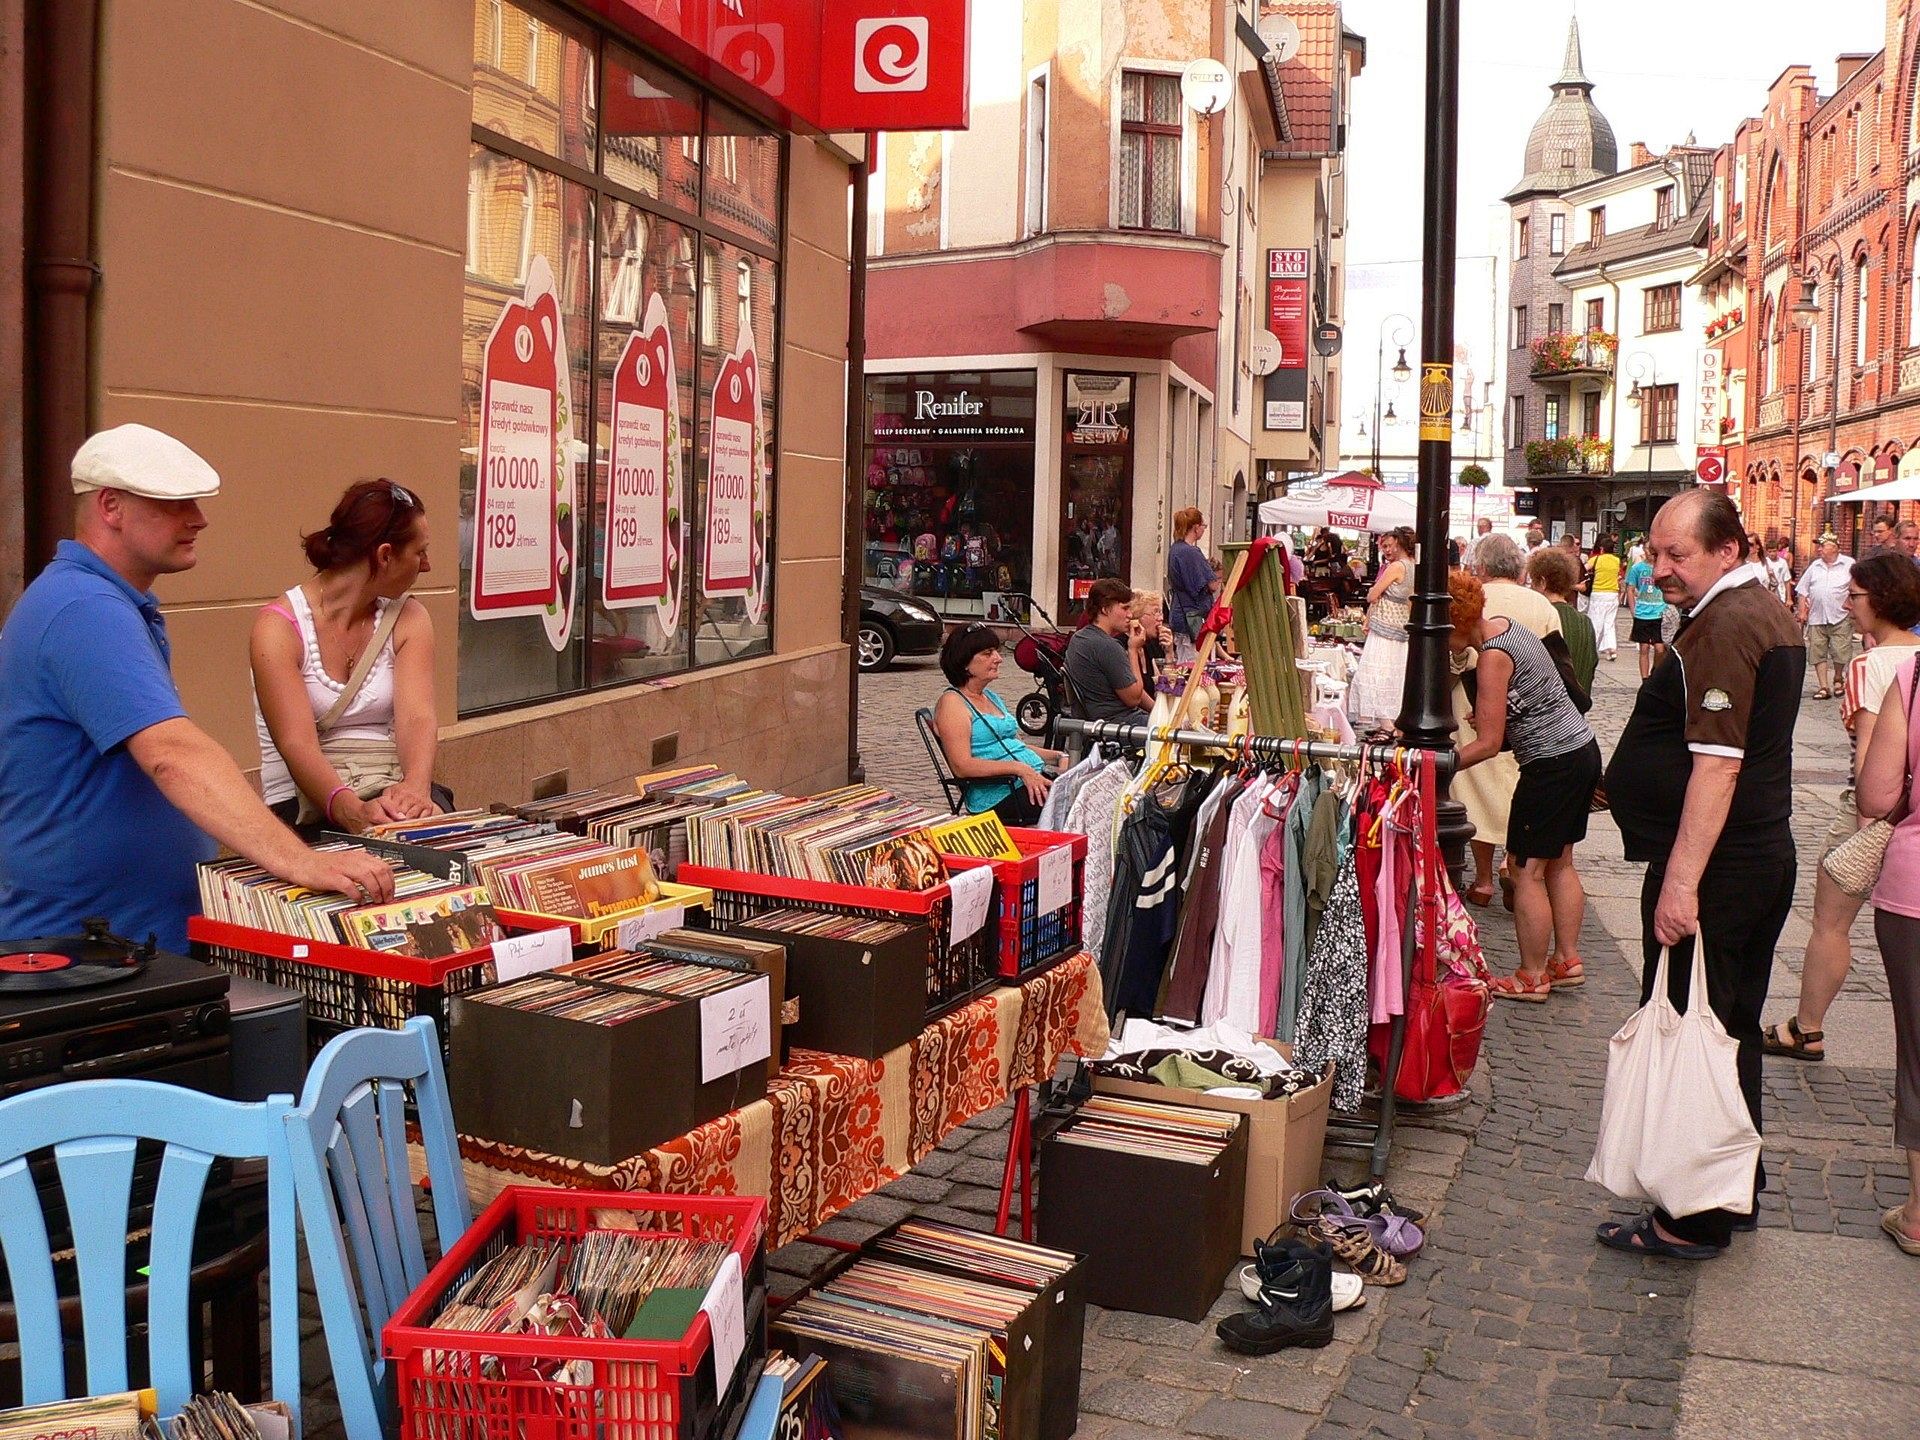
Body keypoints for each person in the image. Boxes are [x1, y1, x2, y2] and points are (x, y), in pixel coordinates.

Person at [0, 425, 395, 953]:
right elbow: (173, 754)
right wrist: (301, 859)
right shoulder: (85, 609)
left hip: (119, 940)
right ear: (110, 506)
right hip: (84, 950)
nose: (198, 518)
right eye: (173, 502)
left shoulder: (102, 601)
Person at [1599, 490, 1805, 1258]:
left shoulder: (1726, 626)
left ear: (1728, 549)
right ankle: (1730, 1185)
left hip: (1720, 868)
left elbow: (1717, 769)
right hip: (1755, 856)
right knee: (1730, 1029)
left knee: (1698, 1024)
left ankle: (1690, 1218)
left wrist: (1681, 884)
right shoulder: (1758, 612)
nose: (1658, 571)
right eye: (1654, 553)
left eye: (1674, 555)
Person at [1762, 555, 1920, 1060]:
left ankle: (1807, 1028)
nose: (1848, 606)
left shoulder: (1868, 665)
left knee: (1830, 924)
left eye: (1854, 597)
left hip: (1872, 810)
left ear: (1881, 599)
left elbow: (1871, 758)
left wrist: (1864, 832)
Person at [252, 480, 443, 832]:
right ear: (385, 555)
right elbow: (296, 743)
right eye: (420, 552)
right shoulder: (278, 629)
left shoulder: (410, 618)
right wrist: (352, 812)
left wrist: (416, 787)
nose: (427, 565)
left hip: (390, 784)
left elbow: (417, 718)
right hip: (307, 801)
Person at [1450, 572, 1600, 1000]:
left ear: (1456, 622)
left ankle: (1531, 975)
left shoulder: (1494, 656)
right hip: (1579, 751)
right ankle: (1567, 959)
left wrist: (1441, 766)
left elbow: (1489, 743)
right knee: (1560, 862)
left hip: (1552, 765)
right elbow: (1525, 704)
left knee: (1524, 870)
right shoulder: (1508, 627)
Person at [1455, 534, 1563, 907]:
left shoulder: (1476, 602)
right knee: (1516, 788)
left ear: (1481, 568)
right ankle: (1510, 863)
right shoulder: (1540, 604)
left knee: (1477, 791)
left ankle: (1483, 878)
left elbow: (1455, 660)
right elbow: (1555, 660)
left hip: (1476, 706)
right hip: (1526, 718)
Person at [1856, 640, 1920, 1255]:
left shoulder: (1912, 674)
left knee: (1919, 1048)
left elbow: (1875, 797)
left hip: (1916, 890)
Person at [933, 625, 1065, 825]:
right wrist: (1020, 769)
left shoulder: (990, 697)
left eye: (996, 651)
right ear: (964, 663)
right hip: (999, 795)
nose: (998, 658)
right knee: (1079, 803)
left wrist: (1058, 756)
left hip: (1026, 781)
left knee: (1089, 788)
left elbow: (1014, 745)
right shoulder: (953, 703)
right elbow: (962, 766)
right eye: (987, 654)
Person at [1347, 527, 1415, 733]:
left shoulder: (1395, 567)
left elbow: (1372, 595)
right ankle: (1393, 720)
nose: (1387, 550)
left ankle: (1385, 721)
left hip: (1385, 626)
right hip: (1402, 625)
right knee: (1394, 673)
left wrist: (1375, 595)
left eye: (1389, 545)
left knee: (1375, 671)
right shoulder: (1414, 566)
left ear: (1399, 544)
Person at [1065, 577, 1153, 724]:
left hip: (1098, 720)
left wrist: (1157, 711)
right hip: (1117, 725)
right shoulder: (1107, 646)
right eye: (1125, 608)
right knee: (1184, 735)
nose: (1130, 615)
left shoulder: (1079, 638)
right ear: (1105, 609)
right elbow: (1134, 698)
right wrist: (1133, 650)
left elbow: (1127, 685)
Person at [1528, 547, 1597, 693]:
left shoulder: (1539, 618)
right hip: (1578, 707)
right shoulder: (1585, 622)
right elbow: (1591, 665)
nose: (1531, 587)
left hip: (1549, 709)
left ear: (1542, 582)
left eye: (1533, 581)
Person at [1796, 534, 1855, 700]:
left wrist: (1852, 605)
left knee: (1840, 650)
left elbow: (1857, 587)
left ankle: (1838, 677)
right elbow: (1802, 589)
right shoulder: (1815, 566)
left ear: (1834, 547)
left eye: (1822, 546)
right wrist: (1802, 611)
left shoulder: (1849, 564)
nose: (1819, 549)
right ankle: (1823, 686)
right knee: (1817, 651)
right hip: (1817, 616)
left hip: (1840, 615)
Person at [1166, 507, 1219, 658]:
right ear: (1196, 527)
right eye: (1203, 526)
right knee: (1192, 664)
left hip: (1180, 611)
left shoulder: (1175, 548)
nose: (1204, 529)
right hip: (1192, 616)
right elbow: (1212, 584)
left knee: (1183, 659)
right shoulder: (1191, 552)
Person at [1624, 544, 1667, 679]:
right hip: (1642, 612)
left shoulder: (1662, 568)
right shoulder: (1637, 569)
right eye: (1649, 550)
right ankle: (1645, 678)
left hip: (1659, 611)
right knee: (1644, 647)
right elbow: (1630, 589)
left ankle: (1656, 674)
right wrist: (1633, 609)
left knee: (1660, 648)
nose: (1651, 553)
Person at [1585, 535, 1622, 660]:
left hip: (1598, 593)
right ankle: (1611, 649)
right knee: (1609, 623)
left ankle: (1591, 648)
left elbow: (1583, 569)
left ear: (1602, 549)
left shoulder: (1596, 560)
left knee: (1596, 621)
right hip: (1612, 594)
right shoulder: (1617, 561)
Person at [1767, 540, 1795, 606]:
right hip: (1767, 595)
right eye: (1770, 551)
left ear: (1777, 551)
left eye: (1774, 551)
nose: (1772, 553)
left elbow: (1787, 581)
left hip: (1780, 595)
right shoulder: (1764, 563)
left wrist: (1789, 598)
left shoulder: (1782, 563)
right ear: (1767, 552)